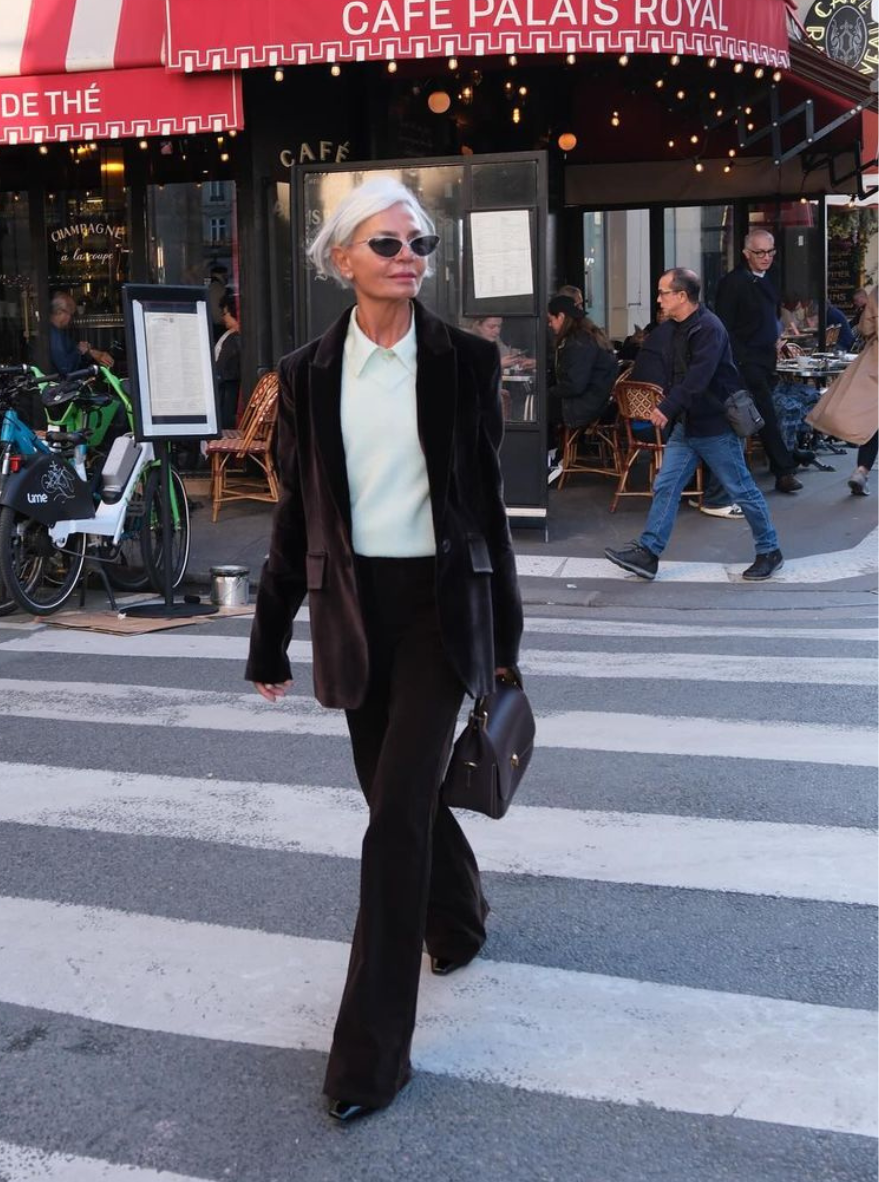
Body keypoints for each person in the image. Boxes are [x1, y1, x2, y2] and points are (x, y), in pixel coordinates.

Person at [245, 177, 523, 1122]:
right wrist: (269, 636)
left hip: (442, 616)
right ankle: (458, 918)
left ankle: (370, 1059)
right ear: (341, 260)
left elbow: (486, 511)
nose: (409, 257)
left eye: (422, 243)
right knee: (389, 797)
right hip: (355, 610)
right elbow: (298, 514)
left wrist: (505, 646)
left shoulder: (464, 366)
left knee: (393, 815)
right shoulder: (307, 373)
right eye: (387, 243)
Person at [604, 268, 784, 582]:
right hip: (688, 425)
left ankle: (770, 550)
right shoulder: (676, 327)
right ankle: (648, 553)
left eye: (663, 293)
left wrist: (667, 407)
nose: (658, 299)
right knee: (666, 485)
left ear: (682, 296)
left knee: (741, 489)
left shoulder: (709, 328)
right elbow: (674, 374)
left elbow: (698, 377)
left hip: (715, 425)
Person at [714, 230, 805, 493]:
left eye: (770, 252)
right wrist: (740, 359)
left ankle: (785, 461)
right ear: (746, 254)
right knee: (764, 414)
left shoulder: (770, 277)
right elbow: (725, 326)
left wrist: (777, 338)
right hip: (745, 361)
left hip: (766, 358)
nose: (766, 257)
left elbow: (772, 314)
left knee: (765, 415)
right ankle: (783, 470)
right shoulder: (733, 283)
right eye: (760, 253)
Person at [628, 312, 743, 519]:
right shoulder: (689, 333)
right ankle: (716, 499)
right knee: (724, 431)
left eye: (664, 294)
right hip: (664, 420)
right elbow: (692, 381)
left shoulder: (661, 335)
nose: (661, 302)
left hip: (640, 421)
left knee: (668, 483)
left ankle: (652, 542)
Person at [806, 287, 878, 496]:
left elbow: (866, 327)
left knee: (871, 420)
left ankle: (861, 469)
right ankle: (862, 471)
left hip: (875, 362)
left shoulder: (877, 294)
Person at [544, 295, 617, 475]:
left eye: (550, 320)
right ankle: (551, 452)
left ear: (560, 317)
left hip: (585, 405)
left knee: (536, 408)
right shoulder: (586, 336)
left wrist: (548, 391)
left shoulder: (578, 342)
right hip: (597, 400)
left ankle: (551, 457)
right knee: (542, 402)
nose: (550, 325)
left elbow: (575, 384)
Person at [48, 292, 113, 375]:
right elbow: (65, 367)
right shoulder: (54, 335)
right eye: (70, 314)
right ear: (59, 312)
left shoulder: (57, 332)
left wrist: (89, 351)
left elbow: (74, 349)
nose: (71, 319)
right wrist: (79, 350)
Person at [214, 291, 242, 428]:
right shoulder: (231, 336)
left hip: (227, 395)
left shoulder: (234, 340)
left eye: (225, 314)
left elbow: (222, 369)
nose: (223, 318)